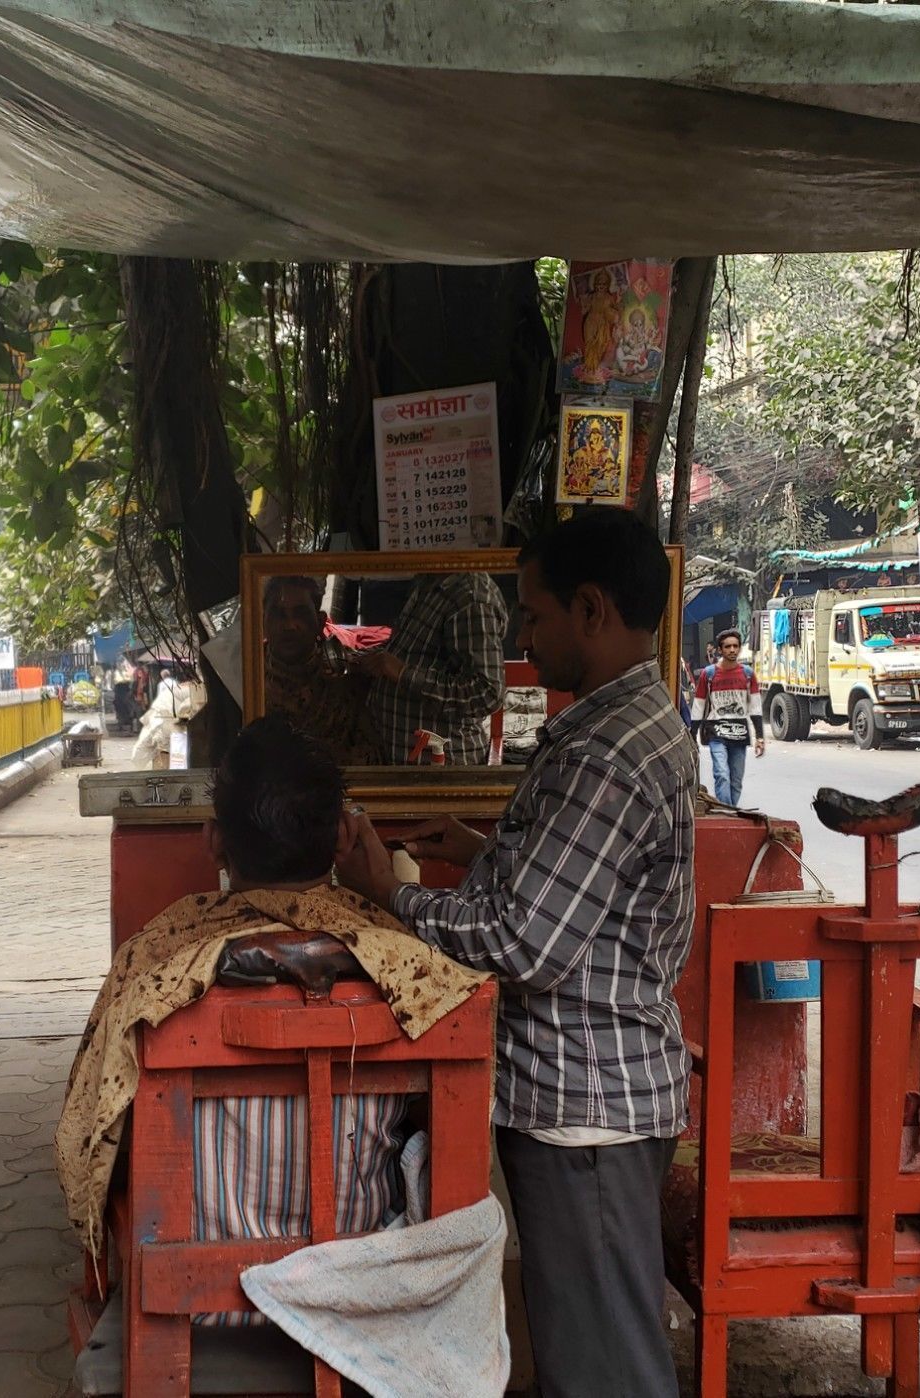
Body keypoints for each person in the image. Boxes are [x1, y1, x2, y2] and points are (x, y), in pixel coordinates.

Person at [338, 506, 696, 1398]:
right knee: (582, 1344)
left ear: (590, 610)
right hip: (594, 1090)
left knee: (605, 1366)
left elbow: (524, 941)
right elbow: (573, 889)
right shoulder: (621, 724)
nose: (522, 636)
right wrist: (479, 844)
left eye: (532, 615)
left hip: (589, 1104)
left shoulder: (605, 754)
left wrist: (392, 892)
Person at [56, 719, 486, 1297]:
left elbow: (95, 1137)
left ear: (213, 839)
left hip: (197, 1298)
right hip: (364, 1293)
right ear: (342, 836)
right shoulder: (420, 973)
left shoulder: (154, 968)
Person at [351, 571, 508, 764]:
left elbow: (486, 693)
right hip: (402, 764)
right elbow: (412, 652)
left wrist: (403, 673)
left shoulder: (471, 597)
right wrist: (368, 660)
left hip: (440, 774)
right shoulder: (428, 581)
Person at [261, 575, 375, 764]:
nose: (289, 625)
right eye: (278, 614)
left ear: (320, 621)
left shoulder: (348, 677)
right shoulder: (245, 676)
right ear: (262, 620)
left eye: (301, 614)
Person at [690, 628, 765, 806]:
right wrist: (692, 734)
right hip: (716, 731)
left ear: (739, 648)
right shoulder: (708, 675)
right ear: (720, 650)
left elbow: (755, 706)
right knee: (722, 774)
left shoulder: (747, 674)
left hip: (740, 732)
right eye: (727, 646)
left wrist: (760, 737)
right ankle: (727, 813)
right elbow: (699, 704)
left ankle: (729, 811)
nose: (732, 650)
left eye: (735, 646)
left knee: (736, 780)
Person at [130, 663, 199, 770]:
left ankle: (165, 770)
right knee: (169, 747)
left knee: (162, 747)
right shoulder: (187, 687)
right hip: (168, 718)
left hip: (163, 716)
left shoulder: (165, 686)